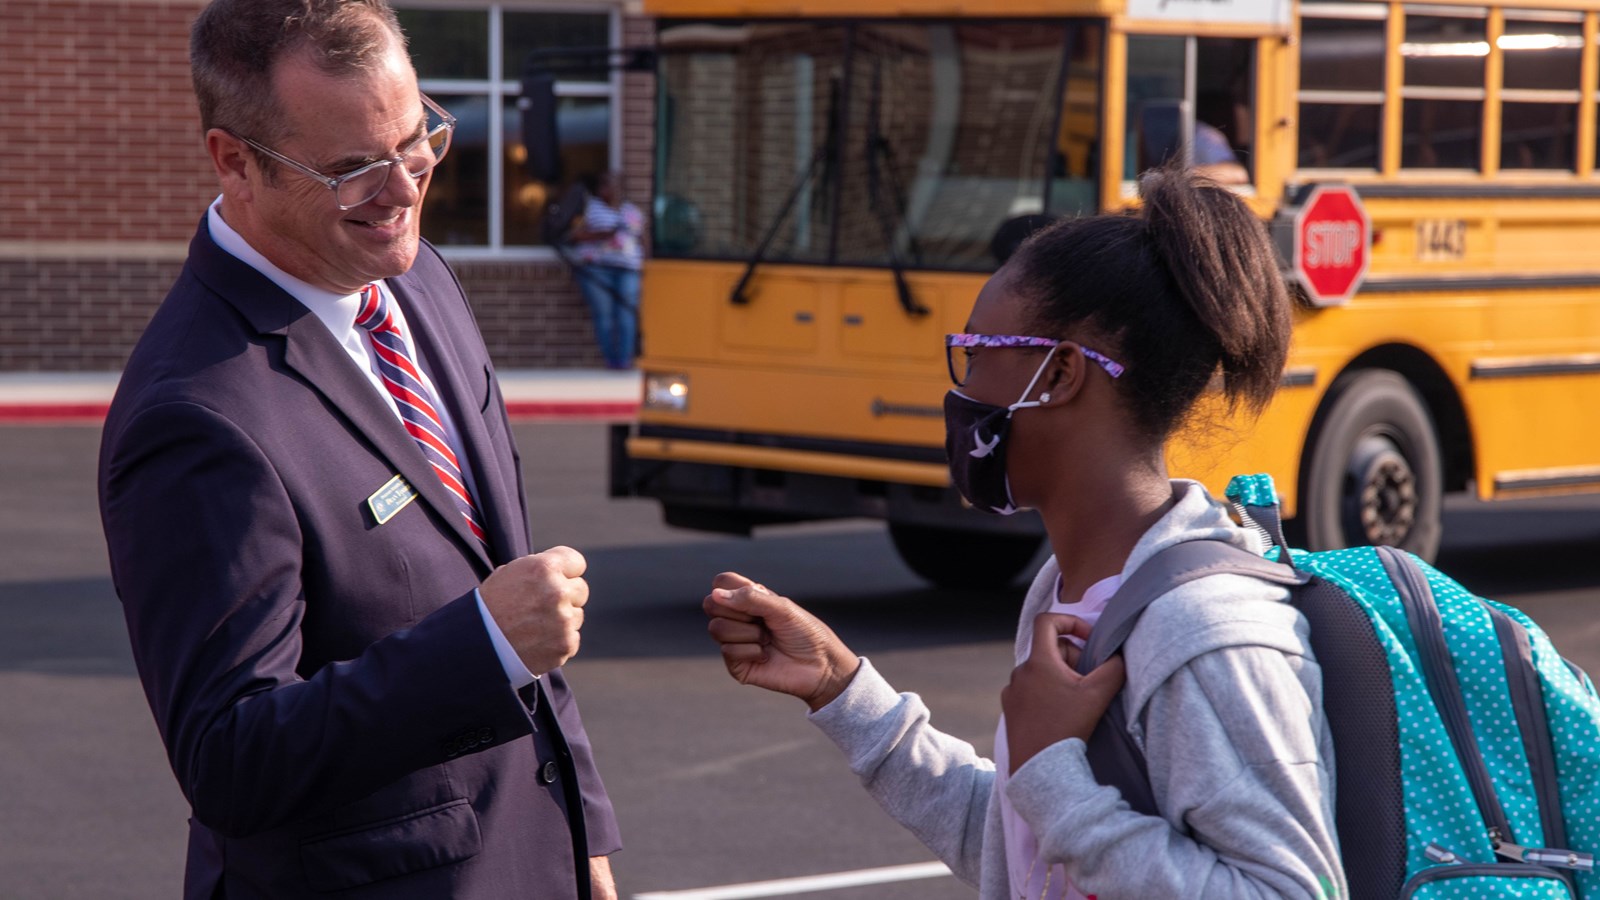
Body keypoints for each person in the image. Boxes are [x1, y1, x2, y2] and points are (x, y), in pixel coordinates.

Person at [704, 167, 1346, 899]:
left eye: (977, 354)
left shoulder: (1203, 632)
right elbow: (1029, 855)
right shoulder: (1073, 589)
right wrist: (841, 689)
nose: (961, 389)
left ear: (1060, 372)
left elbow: (1288, 892)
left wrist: (1050, 774)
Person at [97, 2, 619, 896]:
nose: (405, 188)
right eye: (353, 169)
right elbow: (231, 760)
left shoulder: (423, 286)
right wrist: (483, 643)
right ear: (236, 162)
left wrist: (589, 851)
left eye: (419, 143)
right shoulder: (195, 413)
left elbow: (507, 585)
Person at [568, 171, 644, 369]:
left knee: (627, 315)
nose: (606, 189)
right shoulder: (591, 208)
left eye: (611, 185)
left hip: (628, 268)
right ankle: (612, 362)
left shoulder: (632, 212)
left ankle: (626, 361)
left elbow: (643, 238)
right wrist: (603, 234)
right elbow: (574, 235)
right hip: (598, 269)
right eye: (603, 185)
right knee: (605, 316)